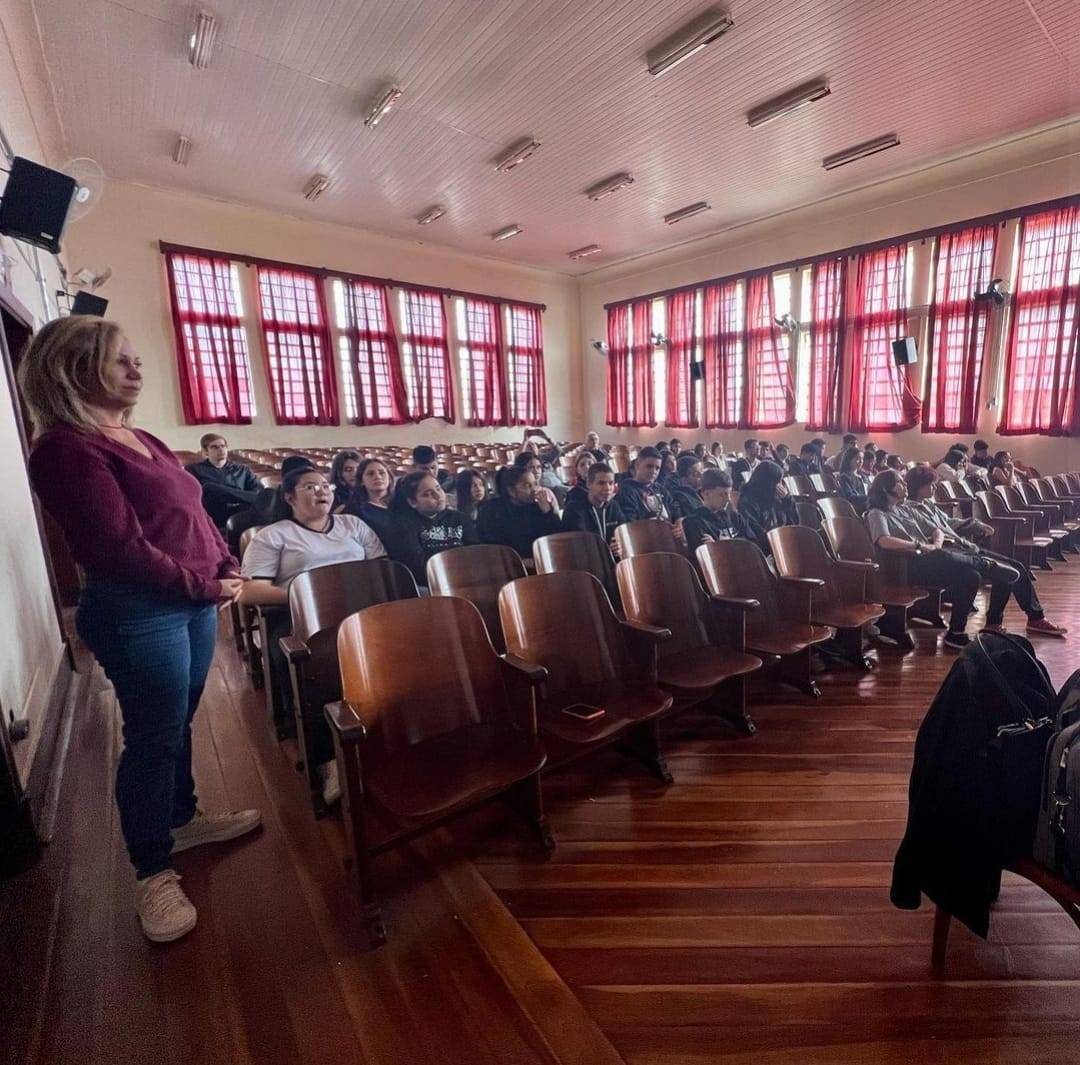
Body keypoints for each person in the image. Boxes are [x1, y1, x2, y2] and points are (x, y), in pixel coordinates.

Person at [21, 316, 259, 943]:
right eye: (119, 360)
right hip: (138, 610)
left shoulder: (141, 436)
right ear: (73, 369)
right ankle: (152, 870)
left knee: (176, 720)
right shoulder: (65, 449)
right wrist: (206, 588)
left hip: (190, 601)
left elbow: (194, 514)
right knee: (152, 736)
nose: (137, 368)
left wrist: (226, 564)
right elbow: (120, 548)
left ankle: (180, 818)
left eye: (136, 359)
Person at [240, 467, 387, 802]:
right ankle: (327, 759)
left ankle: (387, 738)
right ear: (289, 497)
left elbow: (380, 566)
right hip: (301, 617)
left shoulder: (353, 525)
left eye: (324, 485)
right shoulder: (274, 535)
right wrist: (311, 596)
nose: (321, 491)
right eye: (310, 487)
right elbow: (251, 591)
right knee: (318, 663)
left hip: (359, 611)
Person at [903, 467, 1065, 638]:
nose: (935, 487)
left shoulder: (928, 505)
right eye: (931, 484)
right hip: (953, 553)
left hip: (964, 547)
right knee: (1004, 570)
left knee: (1013, 567)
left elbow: (948, 523)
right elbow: (935, 532)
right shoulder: (909, 510)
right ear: (919, 487)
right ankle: (1028, 619)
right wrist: (966, 529)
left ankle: (1013, 620)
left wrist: (975, 524)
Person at [383, 472, 478, 587]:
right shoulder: (403, 526)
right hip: (428, 584)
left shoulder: (459, 518)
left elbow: (475, 552)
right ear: (413, 502)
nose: (438, 496)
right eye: (428, 494)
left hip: (466, 577)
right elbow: (417, 565)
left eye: (438, 488)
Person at [477, 466, 562, 558]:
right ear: (511, 491)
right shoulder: (492, 511)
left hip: (538, 559)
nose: (534, 490)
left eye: (535, 484)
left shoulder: (538, 507)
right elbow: (493, 546)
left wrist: (548, 513)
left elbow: (557, 538)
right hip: (506, 561)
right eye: (527, 486)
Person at [184, 433, 262, 530]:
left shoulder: (242, 469)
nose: (221, 450)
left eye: (223, 446)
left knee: (267, 495)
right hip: (213, 513)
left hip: (240, 512)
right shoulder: (194, 469)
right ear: (205, 451)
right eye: (214, 447)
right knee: (209, 488)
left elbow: (258, 493)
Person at [682, 468, 754, 554]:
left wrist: (720, 545)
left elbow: (753, 544)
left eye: (728, 494)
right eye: (722, 495)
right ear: (706, 494)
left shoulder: (734, 517)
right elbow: (706, 556)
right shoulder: (694, 523)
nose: (728, 499)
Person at [737, 460, 798, 552]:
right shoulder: (747, 501)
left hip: (781, 543)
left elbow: (794, 524)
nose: (780, 486)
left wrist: (788, 500)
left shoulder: (776, 498)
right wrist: (778, 542)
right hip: (764, 549)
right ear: (768, 482)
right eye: (778, 482)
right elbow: (756, 533)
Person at [561, 462, 627, 545]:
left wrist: (619, 545)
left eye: (611, 483)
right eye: (601, 483)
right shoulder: (574, 510)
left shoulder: (614, 506)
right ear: (589, 484)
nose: (607, 488)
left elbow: (623, 535)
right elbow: (579, 544)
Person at [342, 456, 396, 544]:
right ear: (361, 481)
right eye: (370, 474)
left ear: (389, 478)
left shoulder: (403, 504)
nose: (377, 477)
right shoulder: (355, 510)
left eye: (382, 473)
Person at [616, 446, 678, 522]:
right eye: (649, 466)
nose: (654, 471)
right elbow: (630, 523)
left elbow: (675, 509)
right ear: (637, 465)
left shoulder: (660, 489)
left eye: (657, 468)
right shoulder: (626, 491)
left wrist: (679, 520)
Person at [669, 453, 704, 518]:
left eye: (702, 472)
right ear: (683, 478)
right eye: (696, 474)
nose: (701, 477)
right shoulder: (680, 497)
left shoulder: (701, 492)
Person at [835, 446, 868, 511]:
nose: (861, 461)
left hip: (862, 504)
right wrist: (868, 498)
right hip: (853, 508)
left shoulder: (861, 477)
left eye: (862, 459)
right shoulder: (844, 477)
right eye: (857, 458)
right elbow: (850, 497)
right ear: (849, 460)